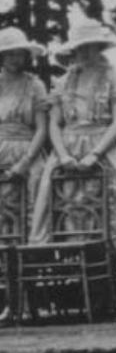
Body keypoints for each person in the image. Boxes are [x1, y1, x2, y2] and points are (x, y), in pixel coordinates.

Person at [31, 20, 116, 257]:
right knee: (65, 200)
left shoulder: (114, 79)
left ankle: (109, 259)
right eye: (79, 48)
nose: (84, 52)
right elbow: (55, 123)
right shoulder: (63, 82)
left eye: (89, 46)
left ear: (99, 47)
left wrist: (95, 154)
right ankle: (71, 257)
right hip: (69, 148)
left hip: (105, 145)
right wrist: (63, 154)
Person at [0, 28, 49, 219]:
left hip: (28, 150)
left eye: (19, 54)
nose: (15, 59)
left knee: (33, 198)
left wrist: (25, 161)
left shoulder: (35, 85)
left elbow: (42, 128)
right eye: (10, 54)